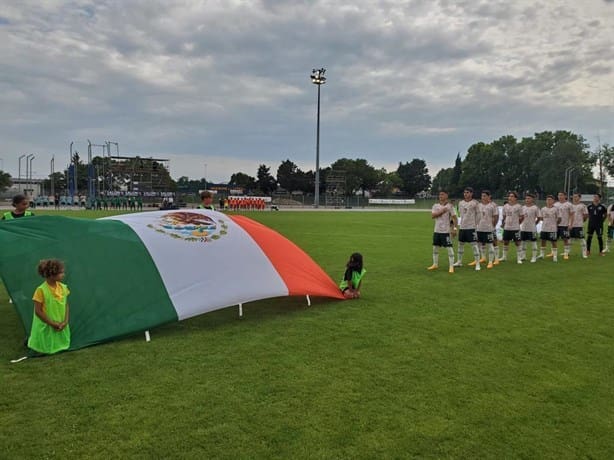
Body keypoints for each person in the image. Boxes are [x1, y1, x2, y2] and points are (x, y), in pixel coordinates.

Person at [28, 259, 71, 355]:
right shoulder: (41, 290)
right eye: (61, 273)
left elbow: (66, 304)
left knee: (60, 342)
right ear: (52, 275)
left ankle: (59, 345)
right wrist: (52, 323)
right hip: (47, 324)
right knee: (45, 343)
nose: (63, 274)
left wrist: (65, 321)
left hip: (60, 323)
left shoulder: (64, 288)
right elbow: (38, 311)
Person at [428, 190, 458, 273]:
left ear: (446, 196)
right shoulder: (435, 206)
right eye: (439, 194)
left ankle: (451, 267)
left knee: (449, 248)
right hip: (437, 231)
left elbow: (454, 218)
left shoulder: (450, 206)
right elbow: (433, 216)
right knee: (435, 248)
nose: (440, 196)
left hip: (446, 231)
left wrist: (455, 229)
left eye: (442, 194)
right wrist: (443, 210)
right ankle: (435, 264)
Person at [453, 187, 481, 270]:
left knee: (474, 245)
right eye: (465, 192)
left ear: (471, 193)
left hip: (471, 227)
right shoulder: (460, 203)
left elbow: (479, 215)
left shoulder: (475, 203)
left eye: (468, 192)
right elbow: (460, 215)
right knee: (460, 245)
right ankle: (459, 262)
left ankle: (477, 263)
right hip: (462, 227)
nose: (466, 194)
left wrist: (475, 224)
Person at [476, 190, 499, 269]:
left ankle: (493, 260)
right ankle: (483, 258)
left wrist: (493, 225)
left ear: (489, 196)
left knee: (492, 243)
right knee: (480, 243)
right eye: (482, 196)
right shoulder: (479, 205)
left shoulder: (493, 205)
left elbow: (496, 216)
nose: (483, 197)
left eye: (485, 196)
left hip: (489, 228)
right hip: (479, 228)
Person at [501, 191, 524, 263]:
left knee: (517, 242)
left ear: (515, 198)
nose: (510, 198)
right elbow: (504, 216)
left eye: (512, 196)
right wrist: (503, 224)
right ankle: (504, 257)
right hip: (507, 227)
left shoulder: (519, 206)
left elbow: (522, 217)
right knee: (505, 242)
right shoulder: (505, 206)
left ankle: (519, 258)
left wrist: (518, 223)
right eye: (509, 196)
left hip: (515, 228)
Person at [520, 193, 541, 263]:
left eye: (528, 198)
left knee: (533, 242)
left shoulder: (535, 208)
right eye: (526, 198)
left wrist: (535, 223)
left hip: (532, 229)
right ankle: (523, 256)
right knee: (523, 242)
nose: (527, 200)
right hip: (523, 228)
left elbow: (539, 217)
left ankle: (534, 257)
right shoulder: (523, 207)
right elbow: (521, 217)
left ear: (532, 199)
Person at [539, 195, 559, 262]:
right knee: (543, 241)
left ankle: (555, 256)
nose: (548, 201)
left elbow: (559, 218)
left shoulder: (556, 209)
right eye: (547, 199)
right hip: (544, 228)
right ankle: (542, 254)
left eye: (550, 199)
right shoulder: (543, 209)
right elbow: (541, 218)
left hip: (552, 228)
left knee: (553, 242)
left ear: (553, 201)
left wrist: (555, 224)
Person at [553, 191, 573, 259]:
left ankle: (566, 253)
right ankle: (553, 252)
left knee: (565, 239)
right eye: (558, 195)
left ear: (565, 196)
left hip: (564, 224)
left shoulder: (569, 204)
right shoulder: (555, 204)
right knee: (554, 239)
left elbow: (571, 215)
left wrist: (570, 224)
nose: (559, 196)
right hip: (556, 225)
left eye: (561, 195)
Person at [569, 192, 588, 258]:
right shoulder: (570, 205)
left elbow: (585, 215)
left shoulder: (583, 206)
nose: (575, 198)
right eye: (574, 197)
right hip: (571, 225)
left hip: (579, 225)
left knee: (582, 239)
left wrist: (582, 221)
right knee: (570, 239)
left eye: (576, 197)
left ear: (579, 198)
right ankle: (567, 252)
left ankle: (584, 253)